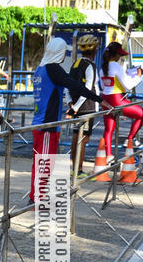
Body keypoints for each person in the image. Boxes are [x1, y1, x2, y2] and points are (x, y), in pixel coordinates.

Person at [29, 37, 110, 202]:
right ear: (58, 52)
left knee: (42, 162)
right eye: (64, 52)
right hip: (47, 125)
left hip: (40, 123)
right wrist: (100, 99)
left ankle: (37, 195)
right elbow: (75, 85)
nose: (64, 56)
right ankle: (37, 197)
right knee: (44, 163)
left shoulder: (40, 68)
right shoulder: (53, 69)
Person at [99, 41, 143, 161]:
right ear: (116, 54)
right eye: (120, 55)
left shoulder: (103, 67)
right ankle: (130, 139)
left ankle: (108, 155)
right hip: (116, 99)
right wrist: (138, 75)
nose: (121, 57)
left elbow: (105, 86)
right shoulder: (116, 66)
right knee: (141, 114)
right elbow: (127, 85)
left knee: (108, 129)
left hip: (105, 99)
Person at [66, 34, 100, 175]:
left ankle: (74, 168)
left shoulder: (75, 64)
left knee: (76, 137)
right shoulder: (90, 65)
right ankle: (78, 170)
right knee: (83, 139)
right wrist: (77, 107)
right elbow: (88, 89)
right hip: (87, 107)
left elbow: (67, 85)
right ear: (95, 50)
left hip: (76, 105)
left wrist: (71, 104)